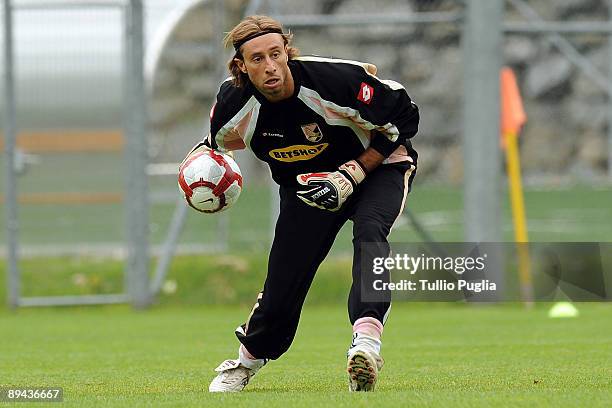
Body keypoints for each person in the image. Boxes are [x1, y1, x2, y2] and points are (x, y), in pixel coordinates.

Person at [189, 15, 419, 392]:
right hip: (307, 188)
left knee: (371, 233)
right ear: (241, 67)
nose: (270, 66)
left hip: (377, 169)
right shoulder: (233, 105)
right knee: (283, 279)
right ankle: (245, 362)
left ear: (287, 52)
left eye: (276, 54)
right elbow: (213, 147)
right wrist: (200, 172)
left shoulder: (333, 81)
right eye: (258, 59)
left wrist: (354, 173)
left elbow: (403, 117)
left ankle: (366, 345)